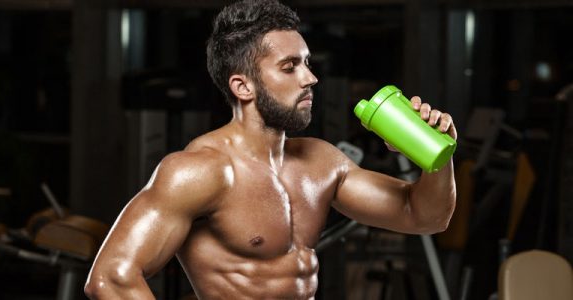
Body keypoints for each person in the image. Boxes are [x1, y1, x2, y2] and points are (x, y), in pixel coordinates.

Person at [84, 0, 457, 299]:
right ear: (243, 87)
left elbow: (424, 216)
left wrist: (437, 155)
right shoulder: (200, 171)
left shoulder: (322, 162)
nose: (310, 78)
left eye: (307, 64)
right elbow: (111, 278)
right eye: (290, 66)